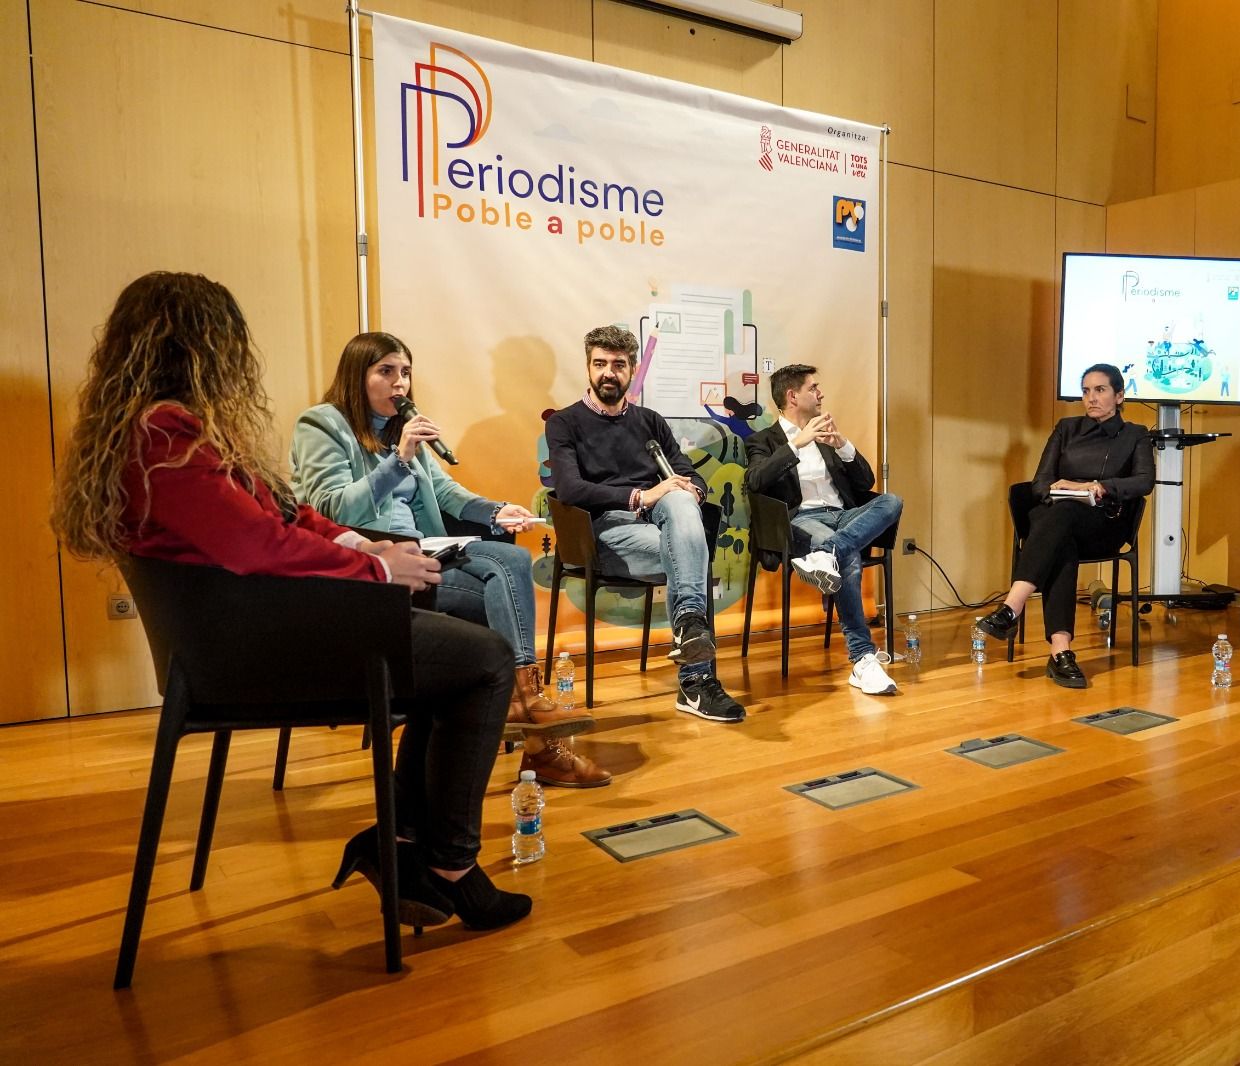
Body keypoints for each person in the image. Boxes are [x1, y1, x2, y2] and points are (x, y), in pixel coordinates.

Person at [50, 271, 529, 931]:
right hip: (242, 653)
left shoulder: (174, 430)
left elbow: (285, 514)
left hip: (250, 630)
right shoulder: (166, 433)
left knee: (456, 647)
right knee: (488, 659)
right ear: (204, 347)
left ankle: (404, 845)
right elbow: (256, 545)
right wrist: (374, 565)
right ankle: (448, 864)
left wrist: (360, 543)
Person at [291, 332, 608, 788]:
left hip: (426, 551)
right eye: (386, 372)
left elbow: (443, 492)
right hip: (371, 566)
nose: (399, 384)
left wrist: (495, 510)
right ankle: (538, 737)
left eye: (405, 373)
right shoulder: (322, 425)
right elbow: (331, 510)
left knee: (510, 564)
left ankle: (524, 705)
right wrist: (398, 459)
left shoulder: (402, 426)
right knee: (498, 604)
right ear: (355, 377)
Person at [545, 325, 746, 722]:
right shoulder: (565, 423)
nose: (608, 373)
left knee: (681, 499)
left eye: (618, 365)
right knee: (691, 551)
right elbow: (569, 489)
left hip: (661, 525)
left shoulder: (650, 421)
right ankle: (696, 684)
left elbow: (689, 473)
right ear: (587, 368)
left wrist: (692, 492)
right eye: (600, 363)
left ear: (632, 370)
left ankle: (689, 628)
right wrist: (639, 496)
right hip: (601, 534)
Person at [974, 364, 1155, 688]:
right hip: (1059, 523)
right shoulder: (1066, 428)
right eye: (1086, 391)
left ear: (1119, 395)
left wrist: (1100, 486)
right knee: (1061, 532)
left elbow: (1144, 482)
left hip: (1103, 525)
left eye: (1100, 390)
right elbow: (1040, 483)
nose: (1091, 398)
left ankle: (1011, 608)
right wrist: (1069, 489)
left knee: (1060, 520)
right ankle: (1061, 653)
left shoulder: (1135, 435)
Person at [744, 364, 902, 694]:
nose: (820, 394)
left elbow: (866, 482)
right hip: (801, 521)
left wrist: (842, 444)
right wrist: (796, 445)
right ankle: (862, 659)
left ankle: (826, 555)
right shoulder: (764, 441)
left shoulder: (827, 438)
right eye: (813, 388)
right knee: (849, 556)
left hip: (843, 517)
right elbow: (755, 481)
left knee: (892, 502)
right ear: (792, 396)